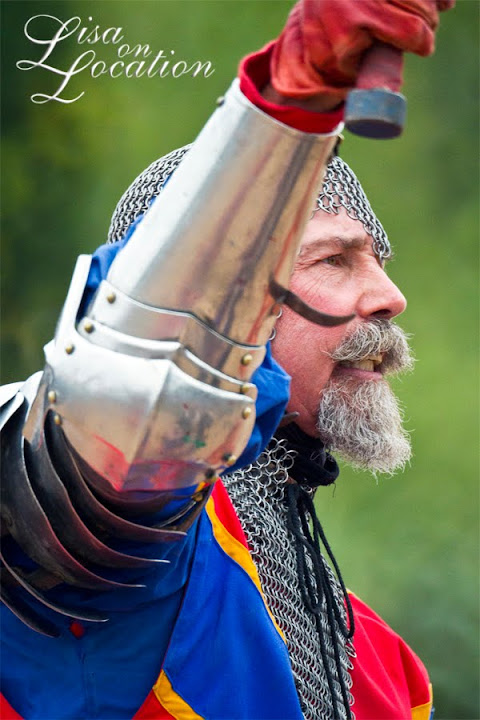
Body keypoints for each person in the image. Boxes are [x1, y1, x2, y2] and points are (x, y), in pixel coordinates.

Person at [0, 1, 453, 718]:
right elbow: (138, 403)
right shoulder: (118, 542)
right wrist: (285, 110)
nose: (390, 296)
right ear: (225, 294)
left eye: (379, 262)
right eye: (333, 259)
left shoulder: (388, 667)